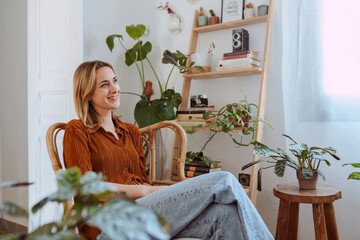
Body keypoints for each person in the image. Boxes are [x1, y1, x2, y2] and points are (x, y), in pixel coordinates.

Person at [63, 60, 274, 240]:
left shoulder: (130, 132)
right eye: (104, 84)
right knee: (224, 180)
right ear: (88, 92)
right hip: (109, 226)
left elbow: (138, 177)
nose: (114, 88)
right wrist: (147, 191)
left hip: (145, 212)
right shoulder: (77, 130)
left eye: (115, 81)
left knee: (225, 214)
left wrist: (149, 192)